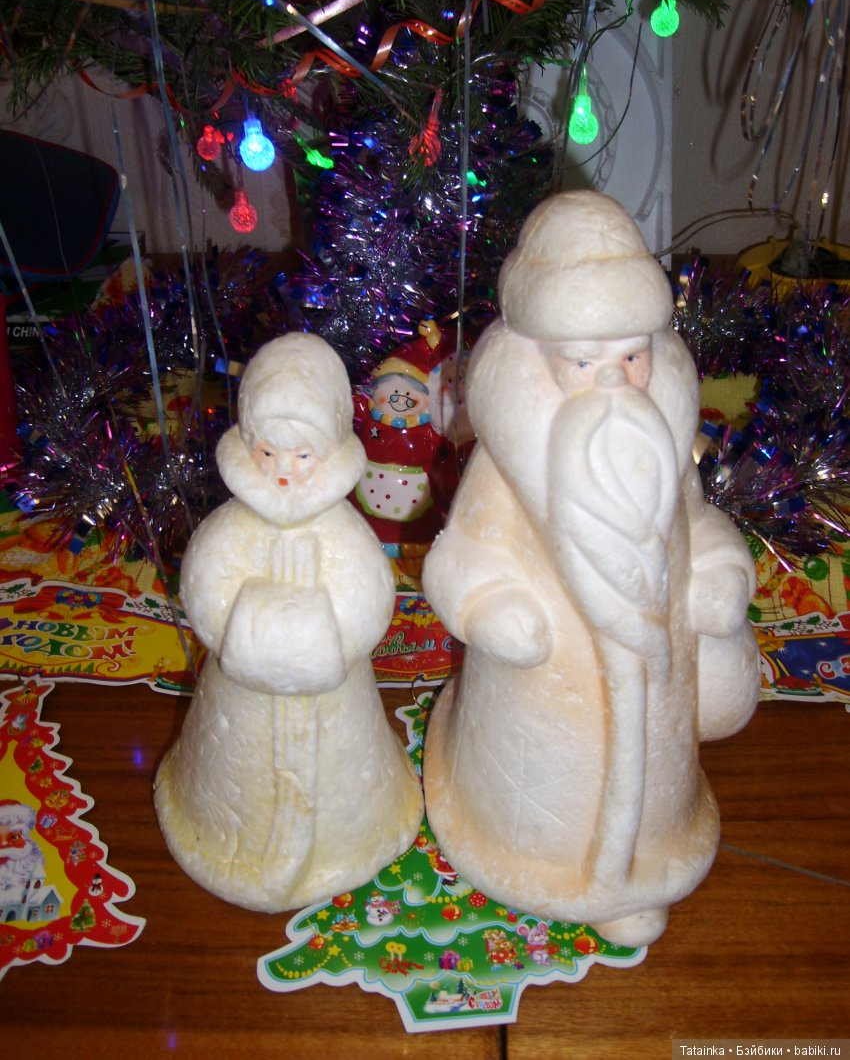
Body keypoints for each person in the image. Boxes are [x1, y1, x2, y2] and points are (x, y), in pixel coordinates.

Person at [421, 191, 760, 945]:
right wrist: (488, 606)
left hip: (657, 696)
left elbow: (696, 521)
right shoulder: (511, 462)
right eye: (584, 362)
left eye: (633, 358)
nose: (615, 382)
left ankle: (638, 870)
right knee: (542, 781)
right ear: (539, 361)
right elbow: (464, 552)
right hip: (536, 699)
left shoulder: (656, 449)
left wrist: (716, 570)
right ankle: (520, 852)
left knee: (652, 773)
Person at [155, 333, 423, 912]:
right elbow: (206, 587)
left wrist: (327, 641)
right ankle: (223, 839)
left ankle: (353, 839)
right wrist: (244, 630)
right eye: (269, 454)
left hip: (338, 714)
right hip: (238, 713)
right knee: (239, 777)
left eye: (302, 456)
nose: (284, 473)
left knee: (342, 787)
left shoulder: (343, 533)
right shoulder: (231, 528)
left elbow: (367, 600)